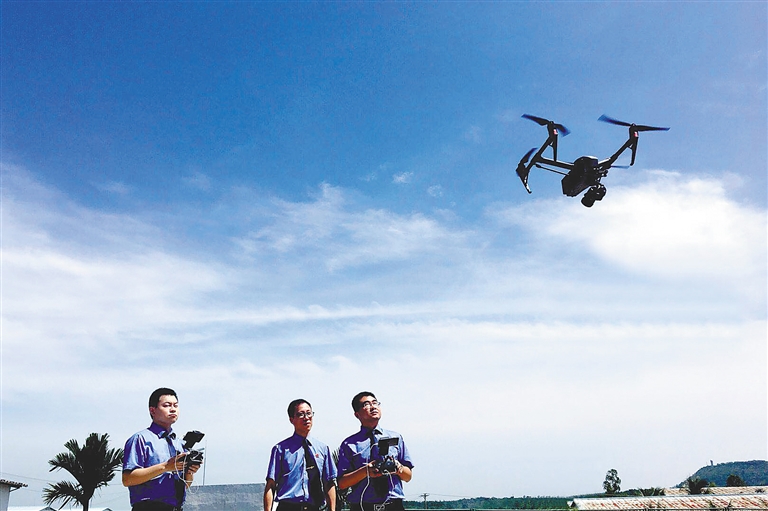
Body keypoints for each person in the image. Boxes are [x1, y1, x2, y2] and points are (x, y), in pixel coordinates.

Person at [122, 388, 200, 511]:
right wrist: (166, 467)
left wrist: (189, 472)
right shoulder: (140, 439)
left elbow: (184, 485)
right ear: (152, 410)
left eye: (176, 405)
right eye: (167, 405)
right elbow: (128, 479)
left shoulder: (179, 444)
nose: (173, 409)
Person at [337, 392, 413, 511]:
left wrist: (399, 468)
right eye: (366, 404)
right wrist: (365, 471)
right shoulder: (349, 444)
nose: (373, 407)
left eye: (375, 403)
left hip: (393, 505)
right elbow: (342, 483)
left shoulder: (396, 438)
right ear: (357, 414)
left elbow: (408, 476)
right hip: (363, 506)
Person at [264, 399, 338, 511]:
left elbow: (329, 482)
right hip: (288, 507)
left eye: (309, 413)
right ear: (291, 419)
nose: (306, 418)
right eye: (300, 414)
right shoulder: (280, 450)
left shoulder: (323, 449)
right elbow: (271, 485)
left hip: (314, 507)